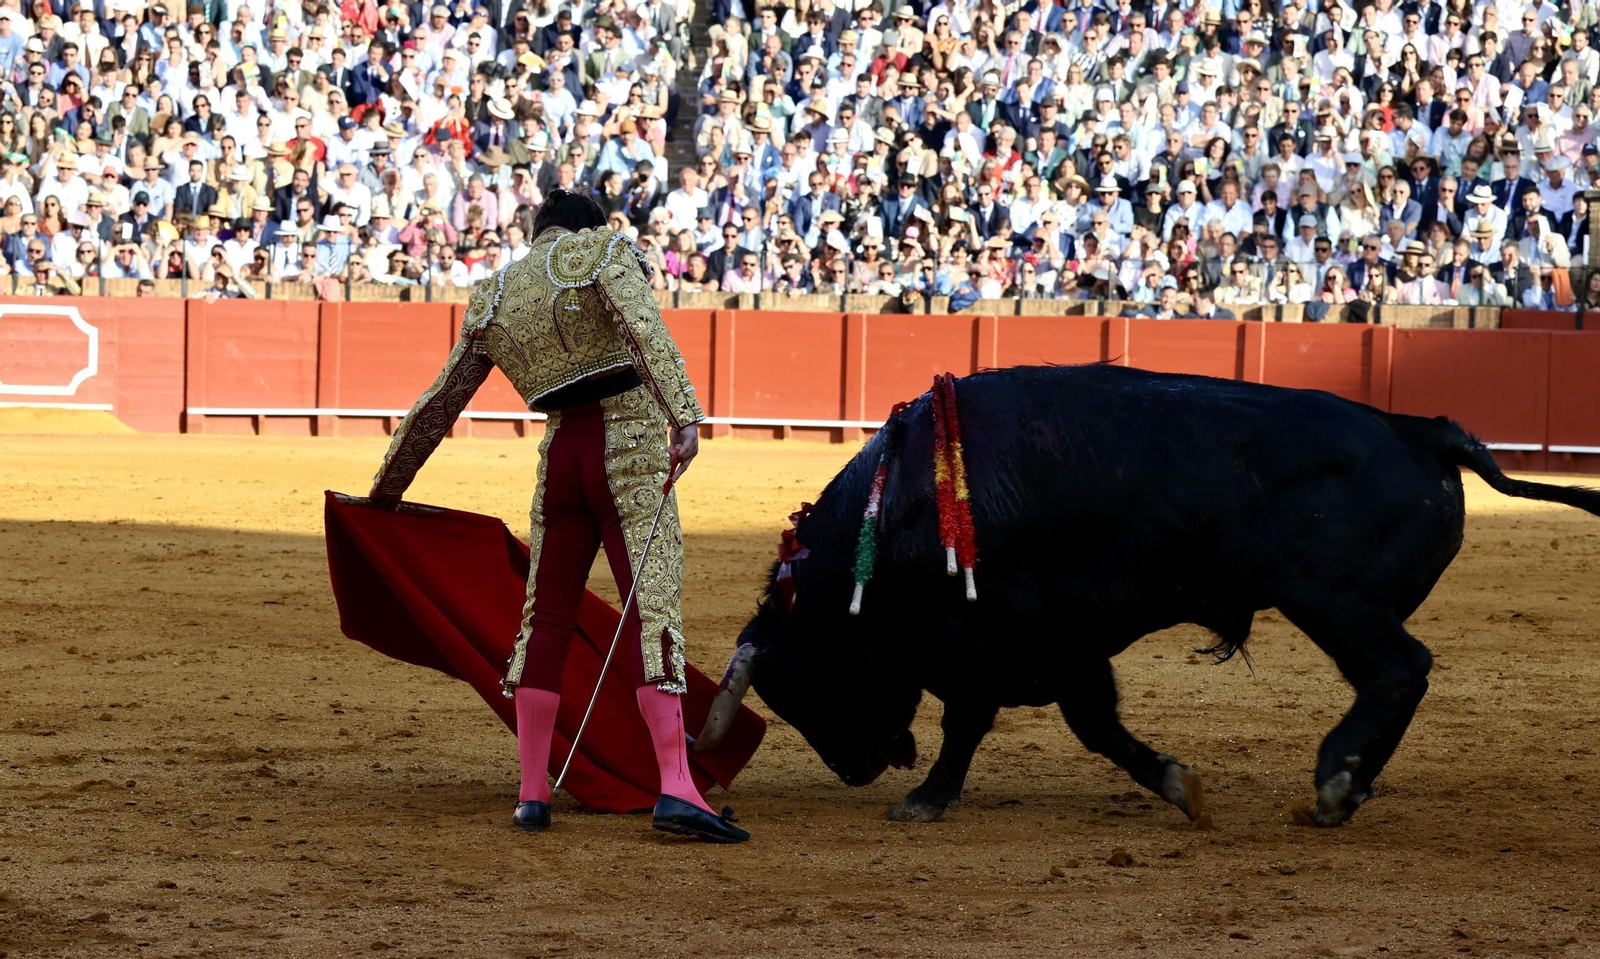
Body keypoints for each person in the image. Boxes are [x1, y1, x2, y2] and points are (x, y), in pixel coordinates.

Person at [368, 191, 746, 844]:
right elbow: (645, 331)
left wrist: (385, 490)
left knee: (543, 620)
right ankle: (677, 787)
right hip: (629, 447)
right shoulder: (601, 250)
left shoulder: (495, 294)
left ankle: (532, 794)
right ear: (586, 227)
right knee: (650, 609)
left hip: (561, 458)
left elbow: (439, 402)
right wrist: (684, 415)